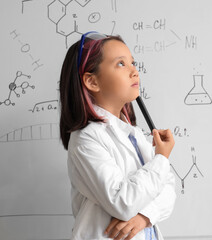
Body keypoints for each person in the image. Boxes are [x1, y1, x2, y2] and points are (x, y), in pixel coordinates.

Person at [59, 31, 177, 240]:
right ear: (92, 82)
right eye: (121, 64)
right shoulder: (86, 139)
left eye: (133, 63)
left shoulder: (134, 134)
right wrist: (161, 158)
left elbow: (168, 188)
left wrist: (145, 216)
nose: (134, 72)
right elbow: (122, 202)